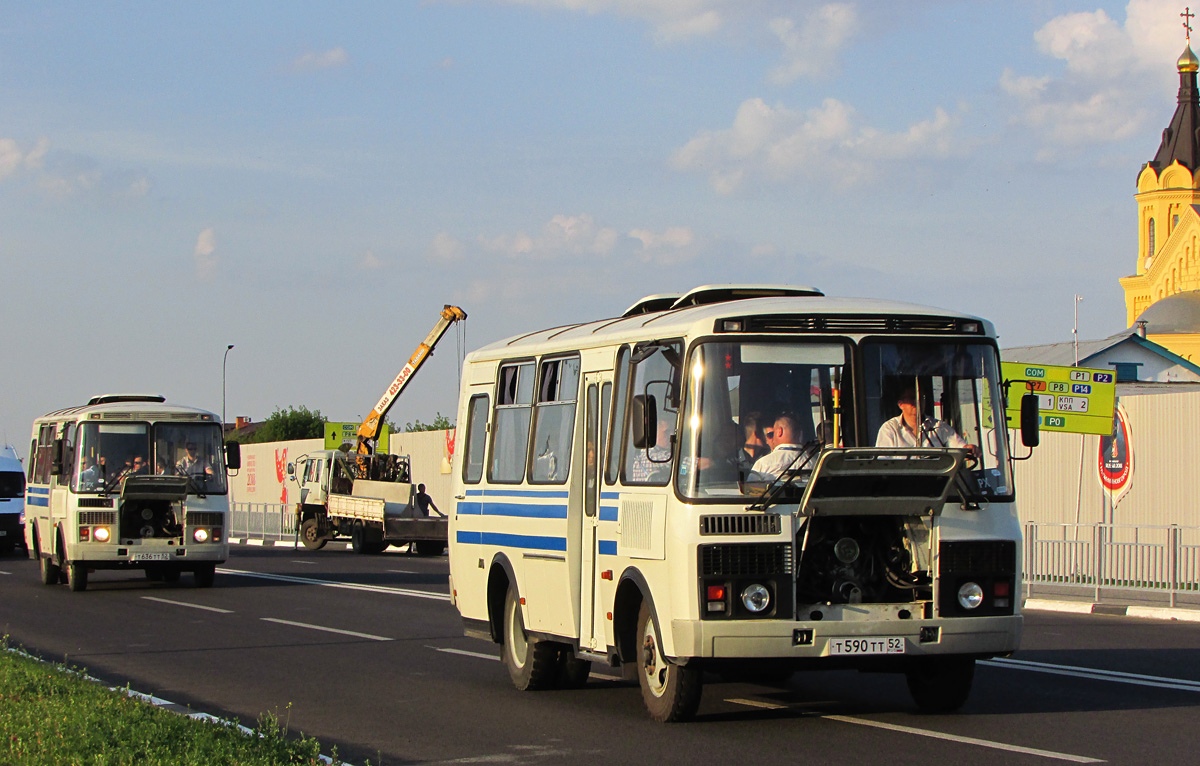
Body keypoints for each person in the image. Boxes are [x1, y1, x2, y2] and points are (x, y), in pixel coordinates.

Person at [876, 386, 978, 457]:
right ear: (900, 404)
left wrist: (968, 449)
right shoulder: (890, 429)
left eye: (921, 397)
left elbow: (959, 447)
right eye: (912, 398)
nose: (918, 401)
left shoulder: (939, 427)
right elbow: (883, 462)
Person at [751, 413, 816, 478]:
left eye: (773, 432)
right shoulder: (815, 463)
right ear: (799, 433)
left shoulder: (763, 464)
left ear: (780, 431)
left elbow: (750, 487)